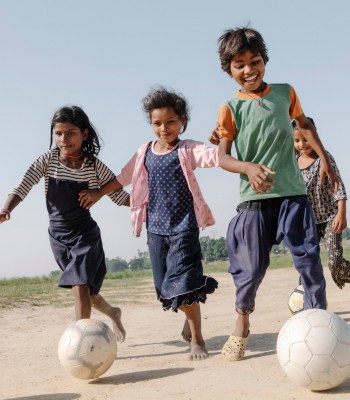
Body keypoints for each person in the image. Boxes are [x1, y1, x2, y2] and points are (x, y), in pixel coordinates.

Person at [210, 27, 338, 362]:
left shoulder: (285, 93)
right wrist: (248, 168)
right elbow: (222, 156)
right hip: (254, 200)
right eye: (240, 64)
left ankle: (318, 322)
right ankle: (242, 319)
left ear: (264, 61)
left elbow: (305, 124)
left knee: (308, 260)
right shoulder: (229, 107)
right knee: (251, 270)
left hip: (293, 194)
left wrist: (325, 159)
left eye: (255, 61)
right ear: (229, 69)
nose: (249, 69)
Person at [106, 87, 219, 360]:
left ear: (181, 121)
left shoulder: (187, 149)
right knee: (163, 289)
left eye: (170, 122)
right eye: (157, 123)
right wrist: (98, 192)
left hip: (184, 226)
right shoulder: (144, 152)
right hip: (155, 229)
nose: (164, 128)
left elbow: (213, 156)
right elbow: (123, 176)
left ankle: (198, 340)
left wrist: (226, 138)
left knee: (182, 283)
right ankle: (192, 297)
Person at [0, 105, 128, 342]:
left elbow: (120, 196)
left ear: (84, 134)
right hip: (58, 236)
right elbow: (23, 185)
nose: (63, 139)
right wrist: (7, 208)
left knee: (80, 285)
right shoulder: (48, 160)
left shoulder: (93, 165)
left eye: (70, 133)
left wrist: (149, 205)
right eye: (58, 133)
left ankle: (82, 342)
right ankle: (113, 312)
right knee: (87, 293)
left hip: (85, 235)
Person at [293, 117, 350, 289]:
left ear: (314, 135)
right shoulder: (293, 163)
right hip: (308, 222)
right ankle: (306, 300)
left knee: (335, 264)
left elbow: (337, 185)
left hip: (330, 218)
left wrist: (342, 212)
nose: (302, 144)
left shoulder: (324, 158)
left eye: (306, 138)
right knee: (307, 265)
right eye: (297, 140)